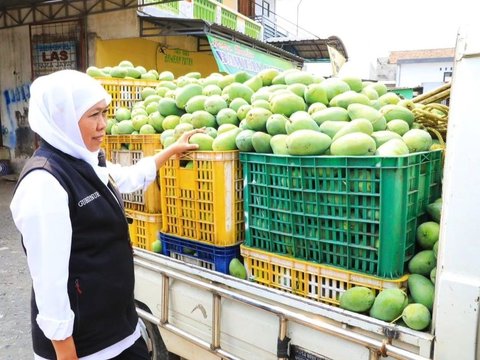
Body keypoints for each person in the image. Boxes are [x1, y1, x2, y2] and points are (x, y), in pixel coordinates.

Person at [10, 69, 202, 360]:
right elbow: (49, 284)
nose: (103, 125)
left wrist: (171, 151)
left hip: (120, 333)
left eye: (105, 113)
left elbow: (127, 178)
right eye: (93, 115)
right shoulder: (45, 183)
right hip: (87, 349)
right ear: (63, 118)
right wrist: (66, 355)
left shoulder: (83, 160)